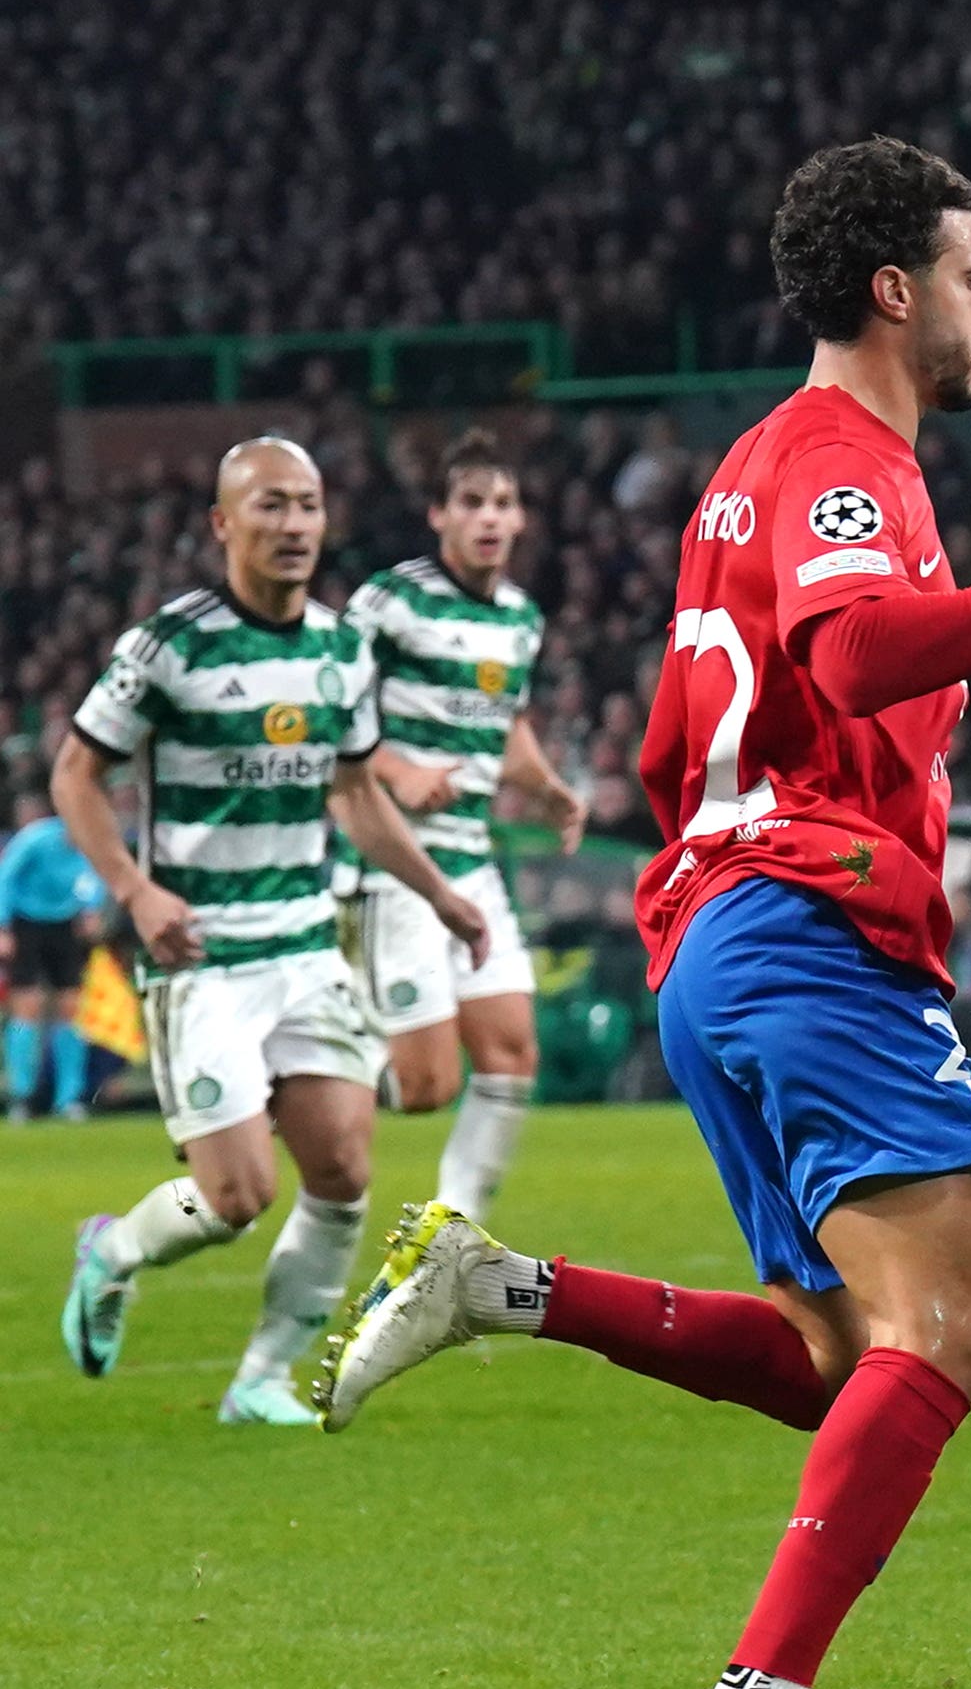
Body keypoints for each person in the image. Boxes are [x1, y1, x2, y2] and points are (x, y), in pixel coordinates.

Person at [319, 136, 971, 1689]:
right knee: (955, 1321)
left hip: (723, 935)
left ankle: (510, 1286)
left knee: (843, 1353)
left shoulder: (757, 466)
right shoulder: (846, 463)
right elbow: (849, 655)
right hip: (804, 925)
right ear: (894, 288)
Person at [52, 437, 492, 1422]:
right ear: (223, 524)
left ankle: (261, 1380)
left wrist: (441, 895)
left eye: (307, 506)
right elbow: (74, 774)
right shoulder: (170, 646)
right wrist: (134, 891)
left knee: (342, 1171)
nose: (293, 526)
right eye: (270, 507)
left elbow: (359, 795)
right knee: (237, 1197)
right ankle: (113, 1250)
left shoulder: (343, 651)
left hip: (304, 946)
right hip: (202, 958)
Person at [343, 427, 585, 1223]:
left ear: (521, 522)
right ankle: (301, 1082)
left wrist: (546, 788)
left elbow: (503, 723)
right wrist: (399, 771)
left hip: (471, 859)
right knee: (425, 1088)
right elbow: (324, 714)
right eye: (472, 502)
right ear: (438, 516)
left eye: (504, 503)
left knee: (513, 1050)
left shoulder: (519, 618)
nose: (490, 517)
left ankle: (447, 1239)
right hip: (395, 864)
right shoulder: (390, 600)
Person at [4, 785, 107, 1121]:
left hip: (64, 926)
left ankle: (69, 1098)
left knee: (71, 1009)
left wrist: (91, 911)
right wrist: (3, 927)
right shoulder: (36, 839)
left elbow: (95, 883)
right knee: (27, 1008)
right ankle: (22, 1096)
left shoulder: (93, 845)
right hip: (27, 924)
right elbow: (4, 877)